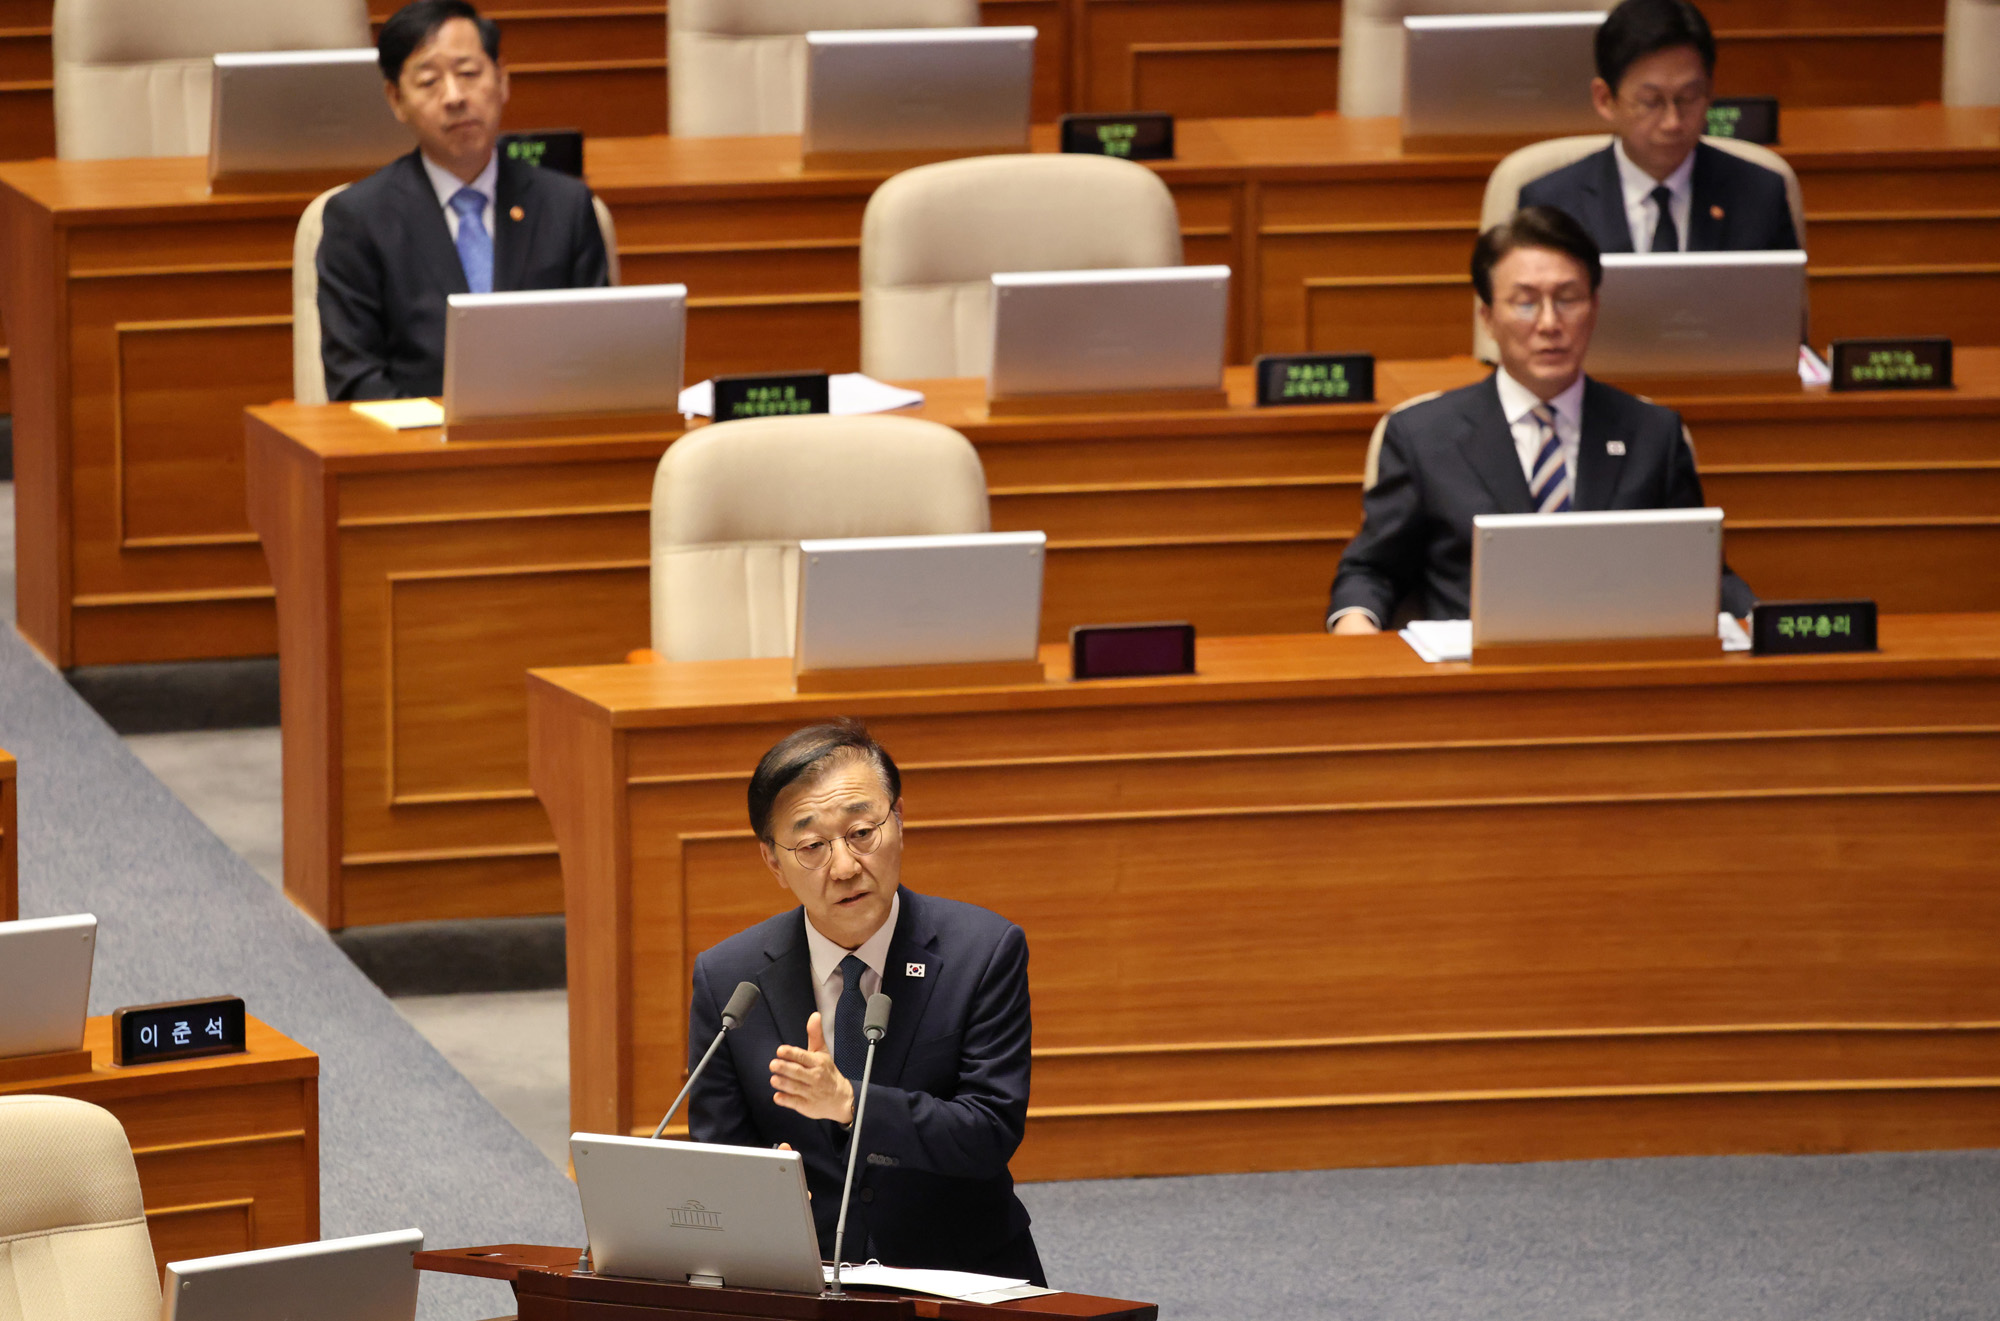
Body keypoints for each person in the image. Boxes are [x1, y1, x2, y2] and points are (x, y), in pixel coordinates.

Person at [686, 720, 1044, 1284]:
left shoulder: (984, 951)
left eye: (861, 832)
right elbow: (721, 1153)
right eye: (811, 846)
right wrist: (759, 1185)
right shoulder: (729, 979)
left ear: (898, 820)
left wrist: (851, 1102)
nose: (846, 866)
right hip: (798, 1280)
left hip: (958, 1273)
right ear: (773, 862)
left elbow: (989, 1132)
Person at [1326, 205, 1754, 632]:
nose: (1550, 323)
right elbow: (1371, 570)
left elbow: (1702, 576)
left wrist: (1756, 622)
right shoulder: (1423, 436)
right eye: (1525, 303)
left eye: (1568, 299)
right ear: (1489, 318)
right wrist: (1356, 623)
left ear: (1595, 307)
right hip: (1472, 681)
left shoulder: (1652, 434)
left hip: (1617, 672)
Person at [316, 0, 610, 401]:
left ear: (502, 80)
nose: (454, 96)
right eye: (429, 81)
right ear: (395, 100)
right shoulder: (358, 219)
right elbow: (355, 379)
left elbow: (601, 359)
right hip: (414, 451)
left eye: (468, 73)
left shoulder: (566, 207)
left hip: (547, 442)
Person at [1517, 0, 1797, 254]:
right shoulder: (1551, 205)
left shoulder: (1760, 196)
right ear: (1605, 100)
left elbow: (1782, 308)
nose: (1672, 122)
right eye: (1651, 102)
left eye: (1688, 98)